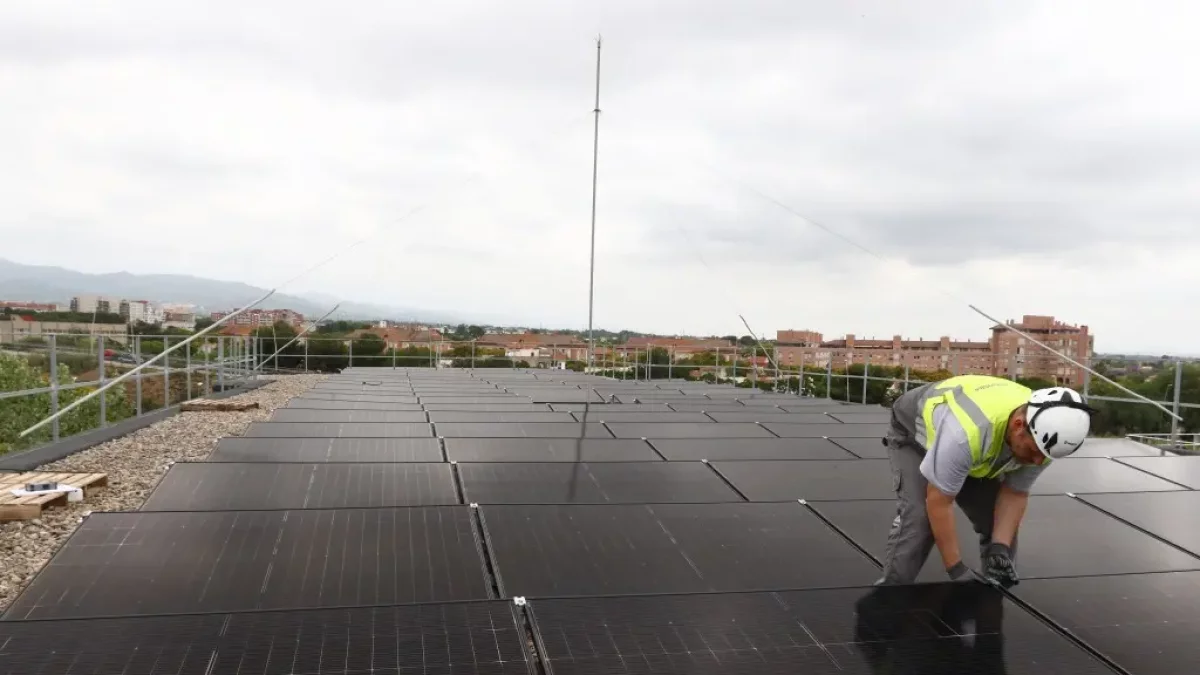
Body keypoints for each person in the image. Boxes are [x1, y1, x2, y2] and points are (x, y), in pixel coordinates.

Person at [878, 375, 1095, 587]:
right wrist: (956, 569)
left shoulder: (1045, 438)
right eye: (1032, 451)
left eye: (1044, 456)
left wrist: (999, 547)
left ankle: (992, 596)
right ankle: (889, 597)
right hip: (911, 431)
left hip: (972, 444)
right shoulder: (964, 434)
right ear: (1019, 425)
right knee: (919, 520)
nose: (1037, 461)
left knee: (999, 530)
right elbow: (939, 503)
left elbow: (1015, 493)